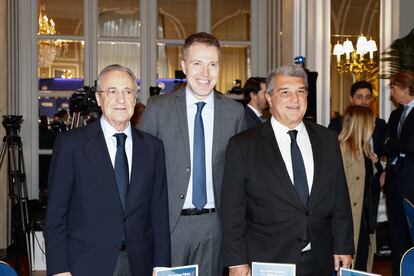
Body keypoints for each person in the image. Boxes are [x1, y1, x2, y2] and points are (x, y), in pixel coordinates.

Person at [221, 64, 354, 276]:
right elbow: (232, 212)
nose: (295, 99)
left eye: (300, 91)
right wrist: (236, 261)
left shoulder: (327, 139)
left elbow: (339, 198)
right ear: (270, 98)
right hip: (269, 261)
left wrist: (344, 245)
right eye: (285, 92)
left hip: (321, 259)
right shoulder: (243, 145)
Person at [45, 64, 170, 276]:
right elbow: (56, 215)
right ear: (98, 99)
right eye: (112, 91)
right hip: (85, 264)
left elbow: (159, 214)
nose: (121, 99)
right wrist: (59, 269)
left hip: (139, 265)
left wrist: (162, 268)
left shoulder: (153, 148)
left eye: (128, 92)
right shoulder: (71, 145)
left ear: (135, 98)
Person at [140, 32, 245, 275]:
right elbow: (142, 171)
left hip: (214, 227)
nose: (205, 73)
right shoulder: (158, 108)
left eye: (212, 64)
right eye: (197, 63)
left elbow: (241, 179)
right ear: (184, 66)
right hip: (168, 225)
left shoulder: (234, 113)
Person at [338, 105, 380, 272]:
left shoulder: (365, 150)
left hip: (364, 221)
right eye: (372, 122)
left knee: (361, 266)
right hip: (351, 224)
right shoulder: (343, 150)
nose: (375, 126)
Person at [382, 70, 414, 276]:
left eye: (393, 87)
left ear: (405, 87)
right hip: (394, 184)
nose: (391, 93)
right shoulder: (395, 115)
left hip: (412, 187)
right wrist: (397, 147)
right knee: (397, 239)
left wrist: (396, 145)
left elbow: (410, 146)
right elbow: (385, 145)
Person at [329, 80, 386, 158]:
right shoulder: (337, 124)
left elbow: (383, 152)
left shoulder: (379, 124)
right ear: (351, 99)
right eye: (359, 97)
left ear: (371, 100)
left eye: (367, 97)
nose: (364, 101)